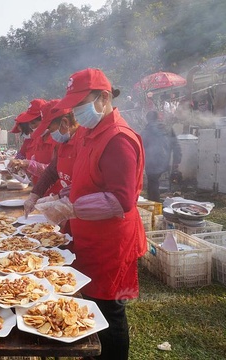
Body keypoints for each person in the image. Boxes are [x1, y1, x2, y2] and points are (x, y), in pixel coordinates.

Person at [36, 68, 146, 360]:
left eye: (81, 104)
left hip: (111, 243)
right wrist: (60, 197)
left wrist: (72, 208)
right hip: (87, 236)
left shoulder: (118, 139)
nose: (76, 112)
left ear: (104, 97)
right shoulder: (88, 132)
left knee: (110, 308)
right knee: (90, 304)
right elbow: (83, 180)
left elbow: (121, 200)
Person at [23, 102, 84, 218]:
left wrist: (58, 197)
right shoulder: (62, 143)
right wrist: (34, 195)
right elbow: (52, 170)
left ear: (65, 122)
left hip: (85, 212)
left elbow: (85, 183)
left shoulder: (84, 141)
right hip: (70, 212)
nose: (51, 134)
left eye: (50, 129)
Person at [141, 110, 182, 202]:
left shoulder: (146, 131)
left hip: (152, 161)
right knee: (156, 181)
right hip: (165, 160)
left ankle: (154, 203)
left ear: (147, 119)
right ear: (158, 118)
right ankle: (155, 200)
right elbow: (176, 145)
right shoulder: (168, 128)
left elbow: (140, 146)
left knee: (153, 181)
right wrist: (176, 160)